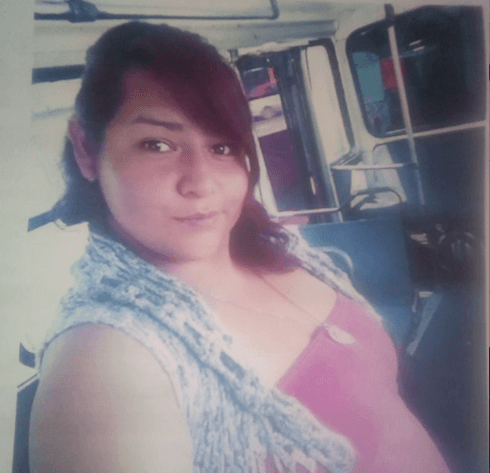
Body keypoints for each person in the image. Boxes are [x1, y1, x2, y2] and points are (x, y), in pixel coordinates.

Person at [28, 22, 450, 473]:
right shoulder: (102, 363)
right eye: (158, 144)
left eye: (223, 147)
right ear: (86, 149)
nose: (202, 183)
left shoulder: (280, 248)